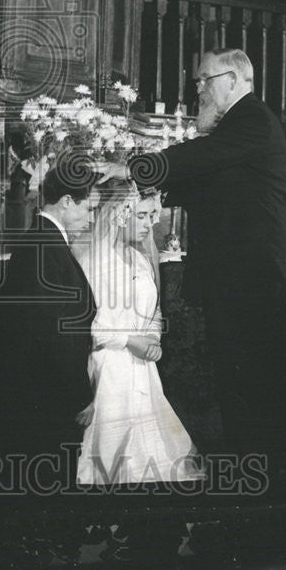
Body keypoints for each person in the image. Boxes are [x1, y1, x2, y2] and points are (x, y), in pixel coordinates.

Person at [101, 48, 286, 455]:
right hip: (240, 276)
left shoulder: (252, 121)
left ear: (234, 79)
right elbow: (203, 184)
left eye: (205, 80)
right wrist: (147, 188)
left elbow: (199, 157)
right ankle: (250, 464)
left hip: (252, 277)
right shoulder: (237, 131)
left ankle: (257, 470)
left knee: (251, 380)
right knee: (237, 378)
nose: (199, 91)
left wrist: (133, 168)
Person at [73, 181, 202, 485]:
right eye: (142, 216)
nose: (151, 224)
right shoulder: (93, 262)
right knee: (113, 462)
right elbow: (86, 326)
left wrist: (154, 339)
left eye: (152, 216)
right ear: (120, 214)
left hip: (143, 370)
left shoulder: (142, 260)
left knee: (153, 461)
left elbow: (154, 311)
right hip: (109, 372)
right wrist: (131, 341)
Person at [1, 161, 99, 457]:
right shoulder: (45, 248)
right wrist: (80, 395)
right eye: (90, 208)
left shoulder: (43, 240)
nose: (92, 219)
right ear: (68, 202)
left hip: (44, 391)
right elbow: (55, 332)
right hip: (48, 397)